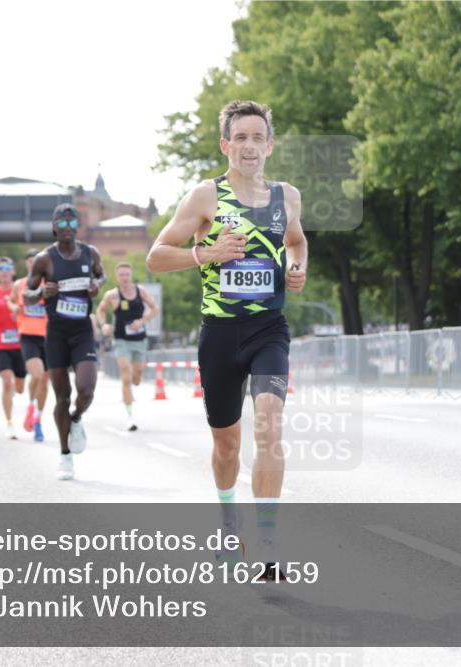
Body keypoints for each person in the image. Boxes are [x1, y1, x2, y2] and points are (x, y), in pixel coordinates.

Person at [146, 100, 307, 577]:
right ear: (226, 145)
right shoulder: (205, 197)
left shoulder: (287, 197)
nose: (250, 146)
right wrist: (208, 253)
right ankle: (227, 524)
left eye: (258, 137)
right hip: (219, 333)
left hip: (268, 330)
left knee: (269, 426)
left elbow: (296, 241)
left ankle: (268, 542)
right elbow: (156, 256)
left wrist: (297, 267)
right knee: (226, 445)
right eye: (241, 138)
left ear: (270, 145)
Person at [25, 203, 105, 480]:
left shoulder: (89, 253)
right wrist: (41, 292)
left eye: (73, 224)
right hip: (56, 334)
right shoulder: (44, 259)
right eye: (63, 223)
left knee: (86, 390)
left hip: (82, 330)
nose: (68, 228)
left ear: (77, 226)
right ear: (54, 226)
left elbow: (100, 275)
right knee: (62, 396)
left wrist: (96, 286)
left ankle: (77, 418)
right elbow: (27, 294)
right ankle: (65, 456)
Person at [95, 263, 160, 431]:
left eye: (127, 274)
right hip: (121, 340)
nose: (124, 277)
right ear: (117, 277)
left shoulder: (141, 291)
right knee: (126, 373)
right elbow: (100, 311)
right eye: (121, 275)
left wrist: (142, 321)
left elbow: (154, 308)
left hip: (139, 340)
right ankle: (130, 416)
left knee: (136, 377)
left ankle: (135, 380)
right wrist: (104, 325)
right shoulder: (113, 295)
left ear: (131, 275)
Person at [0, 256, 27, 439]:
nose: (4, 271)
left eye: (8, 268)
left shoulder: (22, 291)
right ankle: (10, 423)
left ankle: (14, 392)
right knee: (6, 381)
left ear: (13, 272)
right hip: (1, 343)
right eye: (1, 268)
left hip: (21, 343)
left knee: (20, 387)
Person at [10, 248, 50, 442]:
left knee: (45, 381)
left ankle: (38, 419)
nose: (33, 264)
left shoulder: (49, 284)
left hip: (49, 336)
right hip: (28, 335)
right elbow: (11, 302)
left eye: (37, 261)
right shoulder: (20, 284)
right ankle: (31, 405)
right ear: (26, 264)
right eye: (30, 261)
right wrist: (15, 309)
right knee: (37, 374)